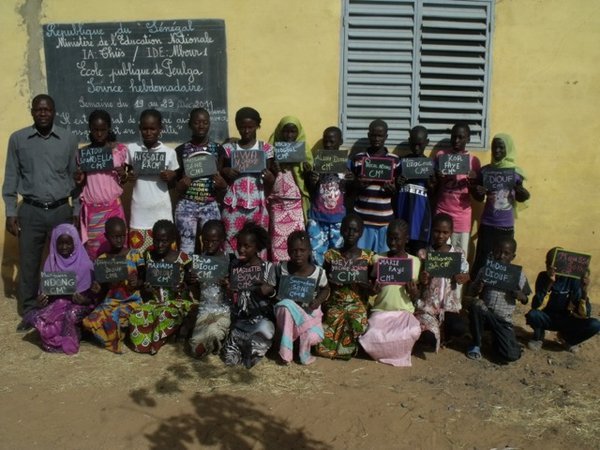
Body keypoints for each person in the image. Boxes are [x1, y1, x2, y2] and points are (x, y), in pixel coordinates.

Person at [3, 94, 79, 328]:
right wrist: (10, 211)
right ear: (33, 112)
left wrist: (75, 210)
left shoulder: (68, 139)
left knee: (63, 263)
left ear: (54, 111)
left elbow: (75, 177)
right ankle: (29, 312)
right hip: (31, 211)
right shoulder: (18, 139)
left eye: (47, 110)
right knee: (29, 263)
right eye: (38, 110)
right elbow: (11, 176)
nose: (43, 113)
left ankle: (61, 310)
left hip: (60, 211)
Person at [22, 224, 95, 354]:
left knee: (70, 315)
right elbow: (45, 292)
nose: (64, 247)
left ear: (76, 243)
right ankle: (55, 341)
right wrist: (42, 299)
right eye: (60, 244)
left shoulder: (85, 264)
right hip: (58, 303)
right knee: (38, 316)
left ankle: (71, 340)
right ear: (55, 245)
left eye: (68, 243)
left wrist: (83, 300)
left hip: (79, 306)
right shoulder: (51, 263)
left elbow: (92, 299)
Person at [359, 219, 422, 367]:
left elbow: (417, 294)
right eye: (389, 238)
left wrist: (414, 293)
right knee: (372, 334)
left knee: (413, 330)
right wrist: (372, 290)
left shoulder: (415, 262)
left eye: (396, 238)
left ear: (406, 239)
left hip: (404, 312)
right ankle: (395, 351)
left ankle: (396, 351)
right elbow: (370, 287)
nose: (392, 242)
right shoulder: (378, 259)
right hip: (381, 311)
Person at [128, 220, 193, 355]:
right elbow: (143, 279)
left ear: (172, 240)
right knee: (136, 315)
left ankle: (155, 342)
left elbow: (191, 283)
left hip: (177, 302)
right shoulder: (149, 255)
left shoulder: (183, 258)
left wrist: (182, 287)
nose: (159, 245)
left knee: (166, 314)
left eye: (164, 241)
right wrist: (145, 287)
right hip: (154, 302)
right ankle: (148, 341)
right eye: (156, 241)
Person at [82, 217, 145, 353]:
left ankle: (115, 339)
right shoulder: (102, 260)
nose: (119, 240)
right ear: (106, 236)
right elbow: (102, 288)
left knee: (114, 317)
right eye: (115, 237)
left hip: (131, 301)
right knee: (89, 321)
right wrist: (97, 289)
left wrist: (137, 282)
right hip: (110, 301)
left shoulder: (135, 255)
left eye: (123, 236)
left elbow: (144, 279)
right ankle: (117, 335)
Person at [471, 133, 530, 277]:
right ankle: (477, 294)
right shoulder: (485, 171)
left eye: (501, 148)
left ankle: (497, 295)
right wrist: (477, 190)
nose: (497, 151)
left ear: (508, 149)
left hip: (506, 227)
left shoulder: (515, 173)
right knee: (482, 261)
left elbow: (524, 197)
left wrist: (522, 192)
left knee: (501, 264)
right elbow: (478, 198)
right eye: (494, 147)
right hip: (487, 225)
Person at [315, 214, 374, 360]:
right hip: (335, 303)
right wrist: (331, 281)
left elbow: (372, 286)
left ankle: (350, 348)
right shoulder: (331, 255)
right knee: (323, 346)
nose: (351, 233)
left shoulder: (368, 257)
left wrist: (363, 283)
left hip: (357, 303)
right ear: (341, 230)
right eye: (347, 229)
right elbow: (324, 283)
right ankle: (339, 347)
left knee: (358, 324)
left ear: (361, 232)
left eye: (355, 230)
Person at [75, 110, 128, 260]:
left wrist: (123, 174)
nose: (99, 134)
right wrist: (79, 179)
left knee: (116, 248)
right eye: (95, 130)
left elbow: (125, 178)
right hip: (93, 211)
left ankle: (119, 283)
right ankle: (98, 283)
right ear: (90, 130)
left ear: (109, 128)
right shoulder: (83, 154)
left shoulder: (119, 151)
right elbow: (82, 181)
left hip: (113, 209)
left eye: (103, 130)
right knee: (95, 250)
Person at [466, 237, 530, 362]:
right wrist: (477, 288)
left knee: (510, 355)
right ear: (493, 252)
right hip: (485, 315)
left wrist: (520, 295)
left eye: (506, 253)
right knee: (476, 305)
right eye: (498, 252)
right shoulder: (485, 270)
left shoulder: (518, 275)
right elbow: (471, 293)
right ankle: (476, 344)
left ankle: (497, 340)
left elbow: (526, 299)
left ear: (513, 256)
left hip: (503, 321)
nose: (501, 256)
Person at [222, 222, 276, 368]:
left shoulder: (267, 268)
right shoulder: (234, 266)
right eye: (239, 245)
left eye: (247, 246)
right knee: (230, 360)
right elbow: (231, 292)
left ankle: (253, 348)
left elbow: (273, 292)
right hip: (241, 320)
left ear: (257, 248)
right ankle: (241, 344)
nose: (241, 249)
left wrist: (267, 290)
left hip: (260, 319)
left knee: (264, 332)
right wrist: (228, 288)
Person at [221, 107, 275, 254]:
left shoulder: (266, 149)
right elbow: (220, 171)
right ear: (237, 126)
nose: (246, 131)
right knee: (231, 243)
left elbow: (272, 177)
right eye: (242, 127)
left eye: (250, 127)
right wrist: (226, 171)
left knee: (257, 245)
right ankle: (232, 274)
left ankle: (256, 275)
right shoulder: (228, 148)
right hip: (233, 205)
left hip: (258, 206)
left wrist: (269, 177)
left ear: (257, 126)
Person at [174, 108, 228, 254]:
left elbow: (222, 179)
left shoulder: (217, 150)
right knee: (186, 247)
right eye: (197, 122)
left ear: (209, 124)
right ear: (190, 124)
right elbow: (175, 184)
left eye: (205, 122)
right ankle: (188, 276)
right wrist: (180, 185)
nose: (201, 126)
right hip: (186, 204)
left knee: (211, 246)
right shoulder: (181, 150)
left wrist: (222, 185)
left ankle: (209, 275)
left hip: (210, 204)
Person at [525, 248, 600, 352]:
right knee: (533, 314)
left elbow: (584, 314)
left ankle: (569, 340)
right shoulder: (543, 277)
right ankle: (538, 336)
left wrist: (584, 291)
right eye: (548, 262)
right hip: (546, 317)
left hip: (565, 319)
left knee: (595, 325)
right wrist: (550, 283)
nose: (549, 266)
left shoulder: (574, 280)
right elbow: (536, 305)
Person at [415, 213, 469, 352]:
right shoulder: (424, 254)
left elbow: (466, 274)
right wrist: (422, 279)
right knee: (428, 340)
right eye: (437, 231)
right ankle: (433, 333)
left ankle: (446, 334)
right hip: (428, 305)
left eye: (445, 232)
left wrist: (462, 277)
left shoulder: (457, 254)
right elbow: (417, 279)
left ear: (451, 233)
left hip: (449, 305)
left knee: (459, 328)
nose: (440, 236)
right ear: (431, 230)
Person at [274, 231, 330, 365]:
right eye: (294, 250)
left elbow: (326, 289)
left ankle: (302, 350)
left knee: (313, 337)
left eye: (302, 250)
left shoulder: (318, 272)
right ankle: (286, 352)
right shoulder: (281, 268)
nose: (298, 254)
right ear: (287, 251)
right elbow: (274, 289)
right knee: (285, 305)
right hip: (287, 317)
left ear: (310, 251)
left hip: (309, 314)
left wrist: (317, 301)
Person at [126, 109, 179, 253]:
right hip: (139, 216)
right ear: (139, 128)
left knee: (164, 260)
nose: (148, 132)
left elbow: (175, 177)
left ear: (160, 129)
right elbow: (123, 175)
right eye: (145, 129)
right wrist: (128, 176)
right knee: (138, 261)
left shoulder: (169, 152)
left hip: (162, 214)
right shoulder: (131, 149)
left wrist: (171, 175)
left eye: (152, 129)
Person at [350, 119, 399, 253]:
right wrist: (358, 184)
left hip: (384, 221)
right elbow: (351, 186)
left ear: (386, 137)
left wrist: (393, 190)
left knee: (381, 261)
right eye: (373, 135)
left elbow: (398, 188)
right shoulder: (359, 158)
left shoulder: (394, 160)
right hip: (362, 220)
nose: (376, 138)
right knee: (362, 259)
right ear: (368, 135)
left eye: (380, 135)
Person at [267, 116, 312, 261]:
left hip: (296, 205)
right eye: (286, 131)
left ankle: (296, 274)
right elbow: (265, 174)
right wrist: (274, 168)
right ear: (280, 132)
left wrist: (306, 170)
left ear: (298, 133)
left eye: (293, 132)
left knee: (298, 242)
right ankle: (279, 275)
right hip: (277, 205)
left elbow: (311, 180)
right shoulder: (271, 149)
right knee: (277, 241)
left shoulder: (304, 150)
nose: (289, 136)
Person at [433, 123, 481, 259]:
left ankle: (458, 280)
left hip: (462, 215)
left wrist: (472, 181)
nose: (456, 141)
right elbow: (433, 186)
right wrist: (438, 176)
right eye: (454, 137)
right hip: (442, 212)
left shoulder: (473, 161)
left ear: (468, 139)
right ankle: (437, 281)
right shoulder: (441, 156)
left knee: (459, 256)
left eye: (461, 137)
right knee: (438, 254)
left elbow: (478, 194)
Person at [188, 220, 232, 358]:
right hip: (205, 310)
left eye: (214, 241)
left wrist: (227, 284)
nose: (210, 244)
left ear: (222, 240)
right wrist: (192, 282)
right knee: (195, 344)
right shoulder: (199, 261)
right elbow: (196, 294)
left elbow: (236, 290)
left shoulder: (229, 260)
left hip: (224, 311)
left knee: (213, 331)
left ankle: (220, 339)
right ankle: (210, 343)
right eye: (206, 240)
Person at [306, 126, 347, 265]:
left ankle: (333, 283)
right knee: (316, 254)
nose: (328, 145)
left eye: (332, 141)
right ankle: (319, 283)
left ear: (340, 142)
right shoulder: (317, 162)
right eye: (326, 142)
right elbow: (311, 190)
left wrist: (349, 180)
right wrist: (312, 180)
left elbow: (350, 190)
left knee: (337, 255)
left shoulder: (347, 164)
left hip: (338, 219)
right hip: (317, 217)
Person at [396, 126, 434, 255]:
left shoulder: (430, 165)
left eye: (420, 144)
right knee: (402, 256)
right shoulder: (401, 163)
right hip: (402, 216)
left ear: (427, 142)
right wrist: (397, 182)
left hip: (421, 220)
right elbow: (393, 189)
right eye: (413, 144)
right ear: (409, 141)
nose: (417, 148)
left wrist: (433, 184)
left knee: (419, 256)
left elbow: (434, 193)